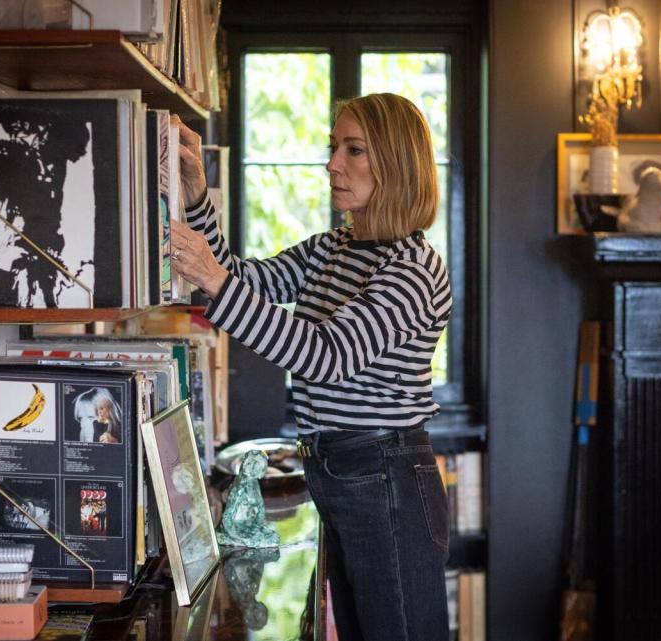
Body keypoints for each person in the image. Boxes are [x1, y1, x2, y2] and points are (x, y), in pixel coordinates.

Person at [168, 92, 452, 641]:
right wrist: (197, 192)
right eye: (333, 148)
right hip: (343, 473)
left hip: (385, 475)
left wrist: (213, 279)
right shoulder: (336, 247)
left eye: (354, 150)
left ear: (395, 164)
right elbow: (243, 279)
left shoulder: (415, 269)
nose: (332, 164)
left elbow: (324, 356)